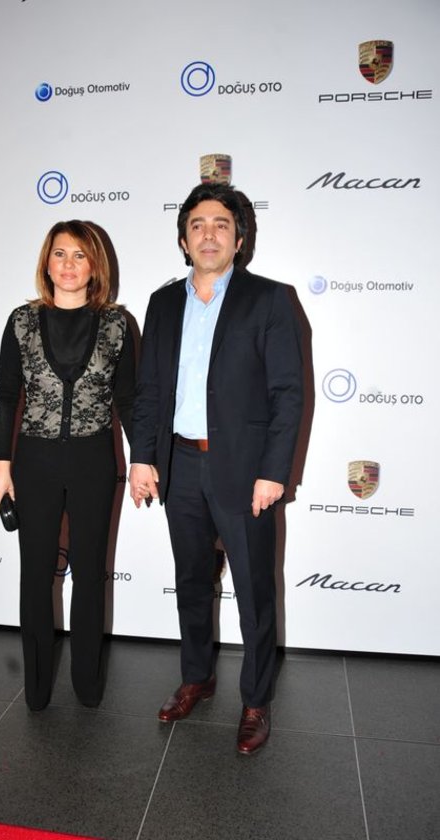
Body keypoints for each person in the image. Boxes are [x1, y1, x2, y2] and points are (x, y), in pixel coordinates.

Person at [129, 183, 303, 754]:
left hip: (246, 470)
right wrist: (142, 457)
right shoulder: (161, 303)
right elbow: (149, 391)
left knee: (253, 588)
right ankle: (197, 678)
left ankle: (255, 699)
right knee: (190, 581)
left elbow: (288, 393)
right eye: (198, 225)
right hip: (179, 464)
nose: (209, 234)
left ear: (239, 238)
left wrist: (274, 470)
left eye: (221, 224)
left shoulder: (270, 299)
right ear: (183, 239)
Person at [0, 220, 134, 711]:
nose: (68, 264)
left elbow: (129, 400)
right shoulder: (21, 321)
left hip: (94, 461)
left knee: (90, 575)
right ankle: (36, 688)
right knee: (35, 576)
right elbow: (7, 396)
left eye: (79, 255)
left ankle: (88, 685)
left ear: (95, 266)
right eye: (60, 254)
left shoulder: (116, 324)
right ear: (46, 263)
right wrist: (1, 465)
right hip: (35, 461)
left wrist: (144, 459)